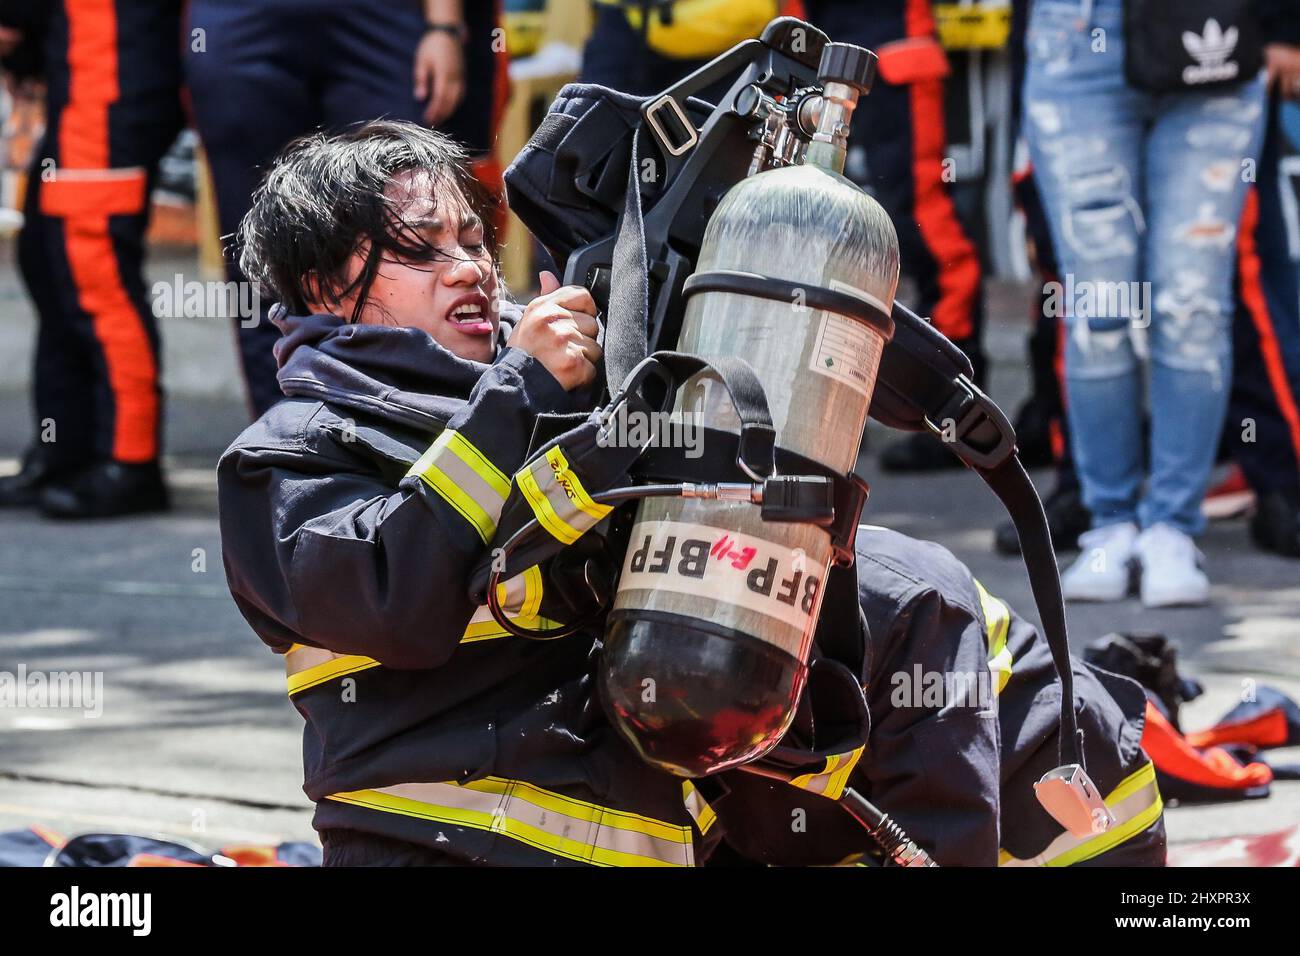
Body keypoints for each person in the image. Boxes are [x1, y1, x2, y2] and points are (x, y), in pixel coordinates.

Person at [218, 122, 717, 866]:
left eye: (475, 242)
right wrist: (521, 391)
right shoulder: (287, 456)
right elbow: (396, 601)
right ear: (325, 288)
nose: (467, 269)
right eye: (420, 248)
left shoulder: (564, 402)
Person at [708, 526, 1165, 867]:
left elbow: (948, 838)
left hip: (1064, 837)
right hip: (870, 837)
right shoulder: (663, 631)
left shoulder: (906, 608)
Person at [1023, 0, 1274, 607]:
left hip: (1218, 30)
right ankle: (1110, 522)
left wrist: (1287, 24)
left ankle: (1172, 528)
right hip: (1076, 36)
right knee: (1098, 305)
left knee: (1192, 303)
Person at [185, 0, 506, 419]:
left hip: (385, 17)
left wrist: (443, 26)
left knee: (410, 225)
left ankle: (425, 426)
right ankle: (286, 441)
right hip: (243, 18)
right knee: (259, 260)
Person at [0, 0, 185, 518]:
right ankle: (64, 452)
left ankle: (131, 463)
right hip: (83, 73)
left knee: (95, 273)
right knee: (48, 262)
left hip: (107, 80)